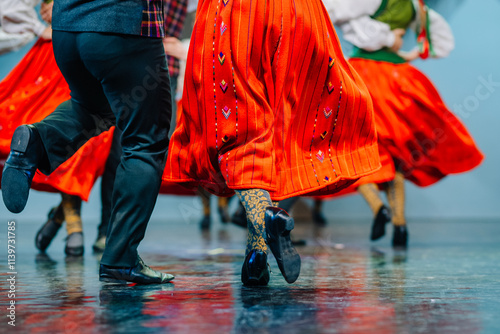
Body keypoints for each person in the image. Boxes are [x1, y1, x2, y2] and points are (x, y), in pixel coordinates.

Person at [163, 0, 381, 286]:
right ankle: (256, 255)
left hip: (235, 11)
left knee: (238, 130)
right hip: (298, 10)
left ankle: (265, 219)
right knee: (281, 129)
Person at [2, 0, 174, 284]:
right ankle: (120, 259)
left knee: (93, 108)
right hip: (123, 27)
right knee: (146, 140)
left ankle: (36, 140)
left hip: (67, 32)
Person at [325, 0, 484, 247]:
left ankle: (379, 208)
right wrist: (404, 47)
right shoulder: (414, 5)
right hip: (397, 78)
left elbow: (330, 12)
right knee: (394, 157)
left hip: (365, 76)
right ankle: (400, 224)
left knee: (358, 152)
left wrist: (384, 37)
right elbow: (441, 43)